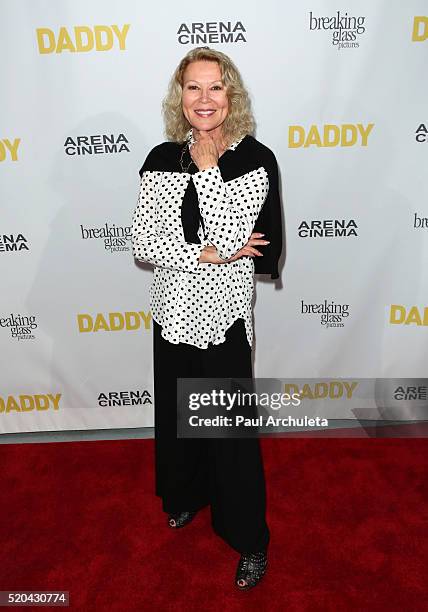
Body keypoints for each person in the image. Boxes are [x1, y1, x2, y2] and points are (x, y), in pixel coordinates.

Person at [131, 46, 282, 590]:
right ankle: (187, 495)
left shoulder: (254, 158)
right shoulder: (159, 157)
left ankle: (250, 540)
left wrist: (210, 175)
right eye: (193, 87)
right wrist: (205, 253)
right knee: (180, 417)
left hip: (224, 316)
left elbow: (246, 241)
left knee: (231, 433)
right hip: (171, 311)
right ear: (181, 95)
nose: (204, 98)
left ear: (231, 94)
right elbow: (144, 241)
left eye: (215, 87)